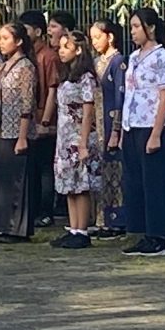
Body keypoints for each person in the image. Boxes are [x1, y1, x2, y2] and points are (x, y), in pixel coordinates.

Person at [119, 8, 165, 258]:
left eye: (136, 26)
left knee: (155, 182)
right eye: (131, 27)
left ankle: (158, 236)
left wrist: (156, 132)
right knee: (135, 181)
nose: (132, 32)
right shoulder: (133, 57)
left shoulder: (161, 57)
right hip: (133, 125)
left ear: (150, 28)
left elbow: (164, 96)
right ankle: (141, 232)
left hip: (153, 125)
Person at [0, 20, 37, 241]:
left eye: (5, 39)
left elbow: (27, 103)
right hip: (1, 129)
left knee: (17, 182)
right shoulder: (4, 66)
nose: (1, 43)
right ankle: (3, 225)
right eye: (0, 39)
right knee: (2, 179)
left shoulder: (26, 67)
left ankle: (17, 228)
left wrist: (23, 136)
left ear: (19, 41)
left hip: (17, 132)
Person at [51, 29, 104, 249]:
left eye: (66, 47)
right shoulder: (66, 77)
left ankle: (82, 229)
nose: (61, 51)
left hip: (79, 138)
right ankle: (73, 228)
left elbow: (88, 111)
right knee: (69, 185)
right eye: (60, 47)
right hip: (65, 138)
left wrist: (83, 142)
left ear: (79, 50)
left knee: (81, 185)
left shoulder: (87, 79)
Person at [91, 16, 129, 237]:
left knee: (116, 171)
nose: (95, 42)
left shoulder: (118, 62)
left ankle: (117, 219)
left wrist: (116, 130)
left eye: (98, 37)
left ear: (110, 36)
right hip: (98, 123)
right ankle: (103, 218)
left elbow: (120, 97)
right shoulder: (97, 62)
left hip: (111, 122)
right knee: (103, 171)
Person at [24, 11, 61, 232]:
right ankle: (35, 209)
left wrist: (46, 121)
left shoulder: (47, 56)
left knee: (45, 167)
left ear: (37, 31)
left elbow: (52, 90)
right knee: (33, 168)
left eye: (27, 29)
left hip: (43, 119)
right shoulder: (27, 55)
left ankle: (46, 211)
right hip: (30, 119)